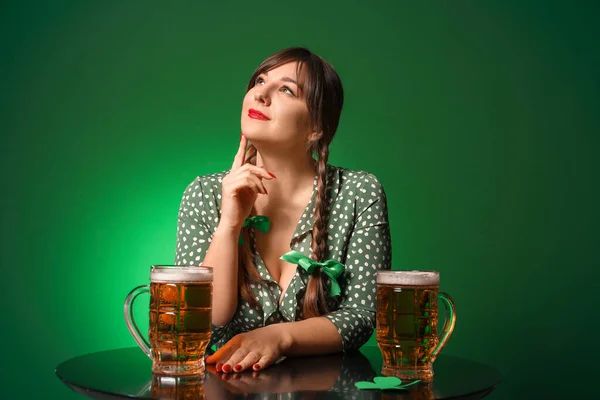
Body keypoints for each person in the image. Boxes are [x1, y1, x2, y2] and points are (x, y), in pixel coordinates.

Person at [174, 47, 391, 374]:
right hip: (223, 389)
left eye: (286, 89)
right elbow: (204, 323)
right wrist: (230, 225)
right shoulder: (204, 193)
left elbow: (360, 316)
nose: (260, 94)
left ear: (316, 126)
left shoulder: (360, 192)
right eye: (259, 81)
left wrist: (279, 337)